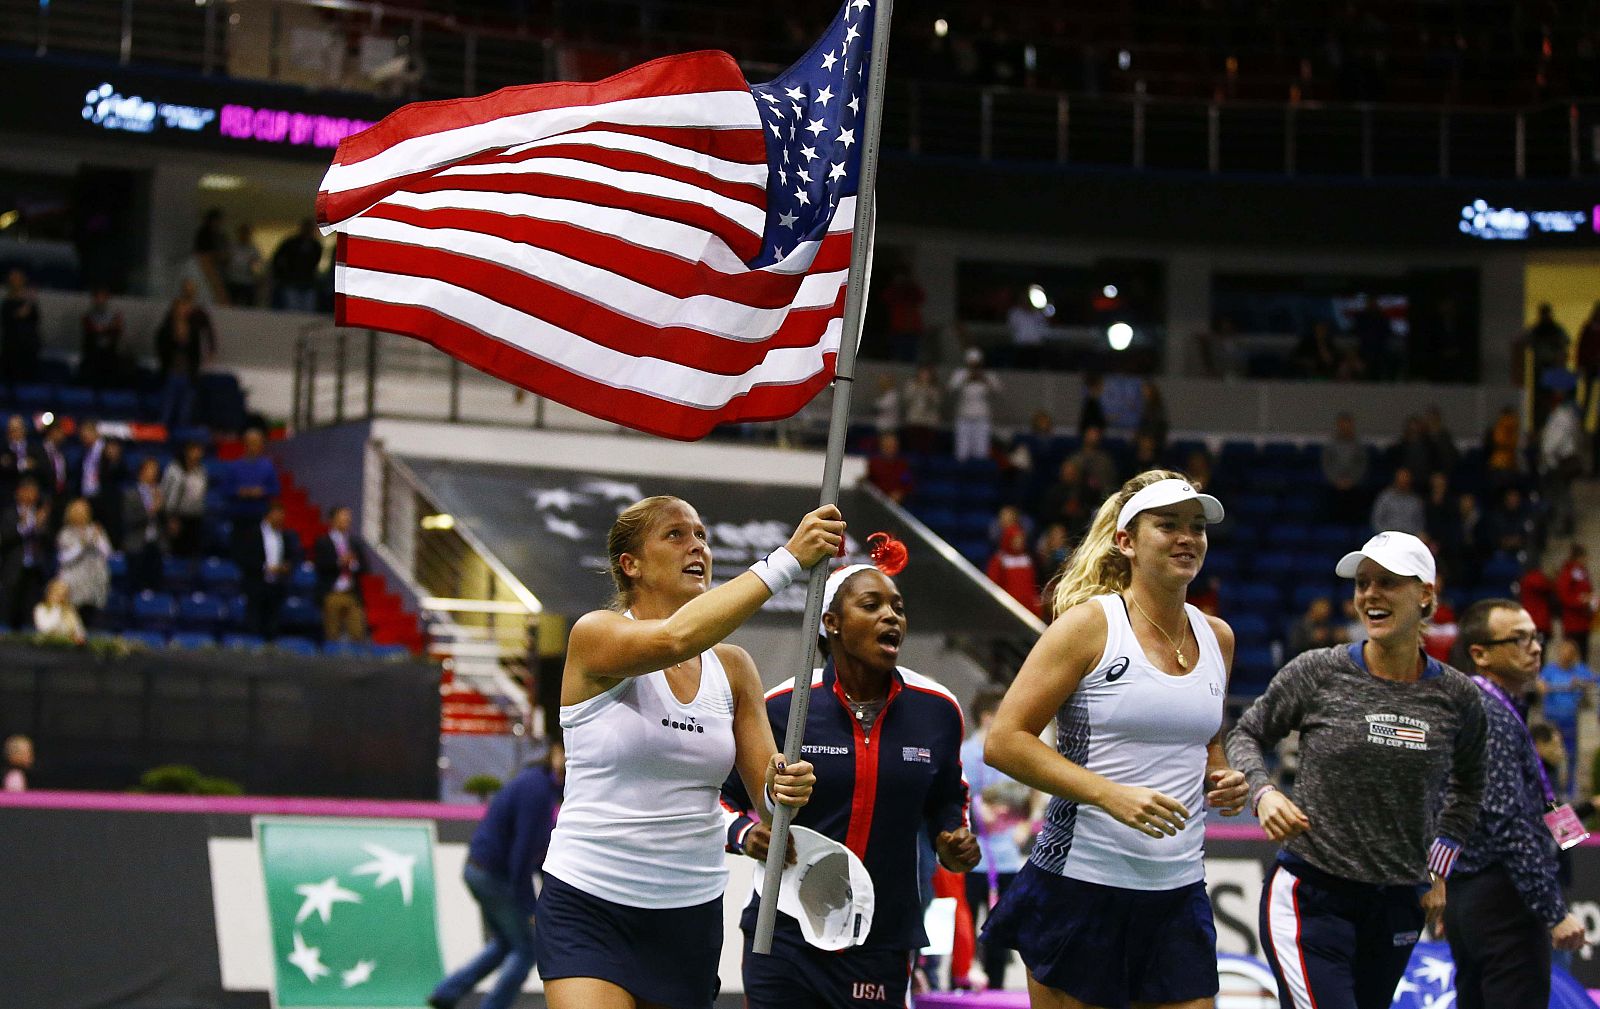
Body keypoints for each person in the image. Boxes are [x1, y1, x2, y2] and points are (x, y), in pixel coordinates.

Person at [534, 496, 833, 1009]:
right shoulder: (595, 636)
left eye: (701, 535)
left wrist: (785, 786)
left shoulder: (735, 669)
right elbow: (675, 638)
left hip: (688, 915)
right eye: (675, 535)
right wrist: (785, 563)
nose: (697, 546)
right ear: (631, 565)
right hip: (590, 903)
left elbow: (769, 799)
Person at [982, 471, 1248, 1009]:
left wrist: (1222, 775)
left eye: (1196, 527)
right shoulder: (1088, 627)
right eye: (1167, 525)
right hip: (1081, 884)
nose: (1187, 538)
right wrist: (1108, 793)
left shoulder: (1218, 637)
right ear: (1126, 541)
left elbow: (1209, 741)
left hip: (1179, 893)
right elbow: (1005, 741)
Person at [1226, 530, 1487, 1009]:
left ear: (1426, 595)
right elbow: (1245, 735)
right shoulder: (1317, 671)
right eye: (1363, 583)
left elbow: (1470, 785)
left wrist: (1439, 866)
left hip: (1397, 903)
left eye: (1388, 582)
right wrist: (1264, 793)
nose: (1370, 595)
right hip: (1310, 896)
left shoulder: (1458, 697)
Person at [723, 537, 978, 1009]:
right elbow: (722, 797)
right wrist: (746, 834)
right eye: (872, 605)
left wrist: (952, 836)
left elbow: (947, 797)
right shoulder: (784, 708)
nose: (892, 616)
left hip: (881, 937)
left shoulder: (937, 709)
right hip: (784, 932)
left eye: (898, 608)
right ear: (831, 624)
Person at [1446, 599, 1585, 1009]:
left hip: (1474, 896)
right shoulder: (1488, 713)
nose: (1536, 647)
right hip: (1502, 898)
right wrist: (1553, 911)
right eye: (1519, 638)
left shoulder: (1495, 709)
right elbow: (1508, 823)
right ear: (1480, 654)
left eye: (1536, 636)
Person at [428, 743, 566, 1009]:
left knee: (505, 943)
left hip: (479, 870)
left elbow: (534, 852)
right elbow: (522, 856)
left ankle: (446, 993)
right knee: (526, 949)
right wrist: (532, 908)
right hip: (491, 875)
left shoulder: (541, 787)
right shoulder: (536, 790)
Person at [961, 686, 1030, 992]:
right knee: (964, 928)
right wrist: (978, 810)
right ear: (987, 718)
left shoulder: (1013, 751)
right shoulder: (966, 753)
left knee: (1001, 930)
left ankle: (998, 992)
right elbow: (958, 796)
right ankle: (960, 985)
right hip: (972, 859)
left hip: (1005, 858)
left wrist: (1024, 823)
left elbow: (1027, 794)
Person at [233, 499, 301, 640]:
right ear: (269, 514)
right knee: (254, 623)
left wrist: (287, 566)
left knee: (272, 624)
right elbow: (244, 557)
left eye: (283, 514)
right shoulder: (253, 533)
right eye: (278, 513)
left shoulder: (284, 536)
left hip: (277, 586)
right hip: (256, 584)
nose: (281, 517)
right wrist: (265, 567)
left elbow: (292, 556)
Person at [155, 279, 217, 429]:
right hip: (171, 372)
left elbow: (208, 336)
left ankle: (182, 442)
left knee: (185, 412)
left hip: (189, 374)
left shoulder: (197, 320)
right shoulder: (169, 325)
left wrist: (210, 351)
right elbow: (160, 341)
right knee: (166, 411)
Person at [1, 477, 51, 630]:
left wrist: (40, 526)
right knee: (8, 610)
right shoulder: (9, 514)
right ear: (19, 493)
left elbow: (50, 541)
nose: (32, 496)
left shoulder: (40, 515)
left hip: (35, 569)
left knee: (30, 610)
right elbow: (5, 539)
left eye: (34, 492)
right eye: (28, 491)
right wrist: (23, 527)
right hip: (13, 569)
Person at [1540, 637, 1594, 775]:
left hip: (1570, 719)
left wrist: (1582, 683)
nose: (1566, 657)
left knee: (1571, 754)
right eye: (1563, 653)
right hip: (1552, 719)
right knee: (1552, 754)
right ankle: (1554, 788)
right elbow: (1538, 683)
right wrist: (1541, 686)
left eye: (1570, 654)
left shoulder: (1580, 670)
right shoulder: (1549, 670)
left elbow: (1594, 681)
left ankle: (1571, 789)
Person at [314, 505, 368, 642]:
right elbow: (320, 566)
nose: (347, 520)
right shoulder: (323, 542)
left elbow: (366, 568)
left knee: (357, 633)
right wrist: (340, 562)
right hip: (331, 593)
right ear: (333, 520)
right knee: (332, 633)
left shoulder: (354, 543)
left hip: (351, 594)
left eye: (348, 518)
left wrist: (353, 563)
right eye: (343, 517)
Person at [56, 498, 111, 628]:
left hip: (94, 582)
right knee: (74, 621)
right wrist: (83, 544)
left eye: (84, 511)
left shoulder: (96, 529)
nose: (81, 514)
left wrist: (97, 539)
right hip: (73, 583)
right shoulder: (65, 533)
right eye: (78, 511)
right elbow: (65, 558)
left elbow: (107, 552)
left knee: (92, 619)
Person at [1539, 386, 1583, 537]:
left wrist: (1546, 450)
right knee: (1564, 494)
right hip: (1561, 460)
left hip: (1559, 462)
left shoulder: (1561, 416)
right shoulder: (1566, 415)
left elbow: (1553, 441)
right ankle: (1565, 523)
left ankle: (1562, 525)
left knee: (1560, 495)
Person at [121, 457, 167, 592]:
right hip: (136, 545)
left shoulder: (159, 493)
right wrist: (151, 511)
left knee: (155, 585)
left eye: (156, 470)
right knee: (135, 586)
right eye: (151, 469)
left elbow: (164, 521)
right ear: (141, 471)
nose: (154, 473)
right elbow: (129, 519)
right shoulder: (131, 494)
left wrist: (162, 510)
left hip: (155, 545)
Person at [949, 349, 1001, 462]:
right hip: (963, 415)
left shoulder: (988, 375)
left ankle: (979, 474)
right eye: (971, 362)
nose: (974, 364)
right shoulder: (960, 374)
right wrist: (966, 378)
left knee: (981, 449)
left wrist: (984, 379)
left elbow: (998, 391)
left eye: (976, 362)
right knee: (962, 449)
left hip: (982, 416)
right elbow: (951, 389)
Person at [159, 442, 209, 557]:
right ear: (187, 451)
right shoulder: (174, 470)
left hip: (195, 517)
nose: (198, 454)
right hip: (176, 516)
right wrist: (171, 517)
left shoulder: (201, 470)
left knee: (193, 553)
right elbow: (167, 493)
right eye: (195, 450)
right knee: (177, 551)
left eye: (199, 450)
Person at [227, 427, 280, 522]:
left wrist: (262, 491)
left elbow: (275, 489)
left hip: (261, 515)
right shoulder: (234, 467)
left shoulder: (268, 466)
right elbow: (226, 489)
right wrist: (239, 492)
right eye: (250, 443)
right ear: (244, 444)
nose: (252, 446)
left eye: (255, 443)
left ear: (261, 444)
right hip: (238, 515)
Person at [271, 219, 325, 312]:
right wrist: (281, 274)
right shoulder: (291, 243)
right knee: (292, 309)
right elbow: (277, 259)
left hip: (308, 283)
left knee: (307, 309)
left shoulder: (316, 246)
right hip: (291, 282)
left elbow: (315, 263)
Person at [1555, 548, 1596, 665]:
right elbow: (1564, 596)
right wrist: (1581, 600)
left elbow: (1588, 590)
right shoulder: (1567, 573)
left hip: (1584, 620)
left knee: (1583, 652)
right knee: (1570, 650)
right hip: (1572, 621)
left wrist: (1590, 602)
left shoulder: (1583, 572)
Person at [1, 268, 41, 384]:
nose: (16, 282)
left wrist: (30, 300)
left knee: (28, 381)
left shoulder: (30, 304)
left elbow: (35, 320)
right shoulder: (7, 304)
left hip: (28, 349)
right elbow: (19, 314)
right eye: (13, 279)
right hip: (12, 350)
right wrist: (30, 300)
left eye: (18, 279)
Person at [79, 287, 125, 388]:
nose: (100, 300)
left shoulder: (113, 316)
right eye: (98, 297)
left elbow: (117, 329)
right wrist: (108, 327)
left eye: (103, 297)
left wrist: (108, 328)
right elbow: (93, 328)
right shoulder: (88, 316)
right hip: (92, 356)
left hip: (108, 357)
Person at [1368, 466, 1425, 536]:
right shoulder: (1385, 497)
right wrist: (1385, 534)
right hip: (1388, 537)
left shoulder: (1415, 500)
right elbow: (1376, 520)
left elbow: (1420, 523)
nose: (1403, 481)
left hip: (1409, 538)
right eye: (1401, 478)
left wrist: (1414, 536)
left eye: (1406, 478)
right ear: (1396, 479)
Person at [901, 366, 942, 456]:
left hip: (929, 421)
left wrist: (928, 391)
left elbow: (937, 402)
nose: (924, 376)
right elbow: (906, 399)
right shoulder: (911, 385)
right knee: (914, 445)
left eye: (927, 374)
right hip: (914, 420)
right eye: (923, 373)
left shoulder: (934, 387)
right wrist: (917, 388)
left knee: (927, 447)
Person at [33, 576, 86, 643]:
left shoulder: (69, 611)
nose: (61, 598)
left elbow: (80, 631)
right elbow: (45, 628)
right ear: (50, 593)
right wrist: (57, 609)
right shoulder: (41, 609)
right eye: (57, 594)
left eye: (64, 595)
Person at [224, 223, 263, 307]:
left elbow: (258, 266)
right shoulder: (232, 247)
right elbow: (226, 261)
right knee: (232, 305)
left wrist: (255, 272)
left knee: (249, 307)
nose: (244, 236)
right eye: (242, 233)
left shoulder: (253, 250)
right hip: (233, 280)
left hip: (248, 282)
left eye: (246, 233)